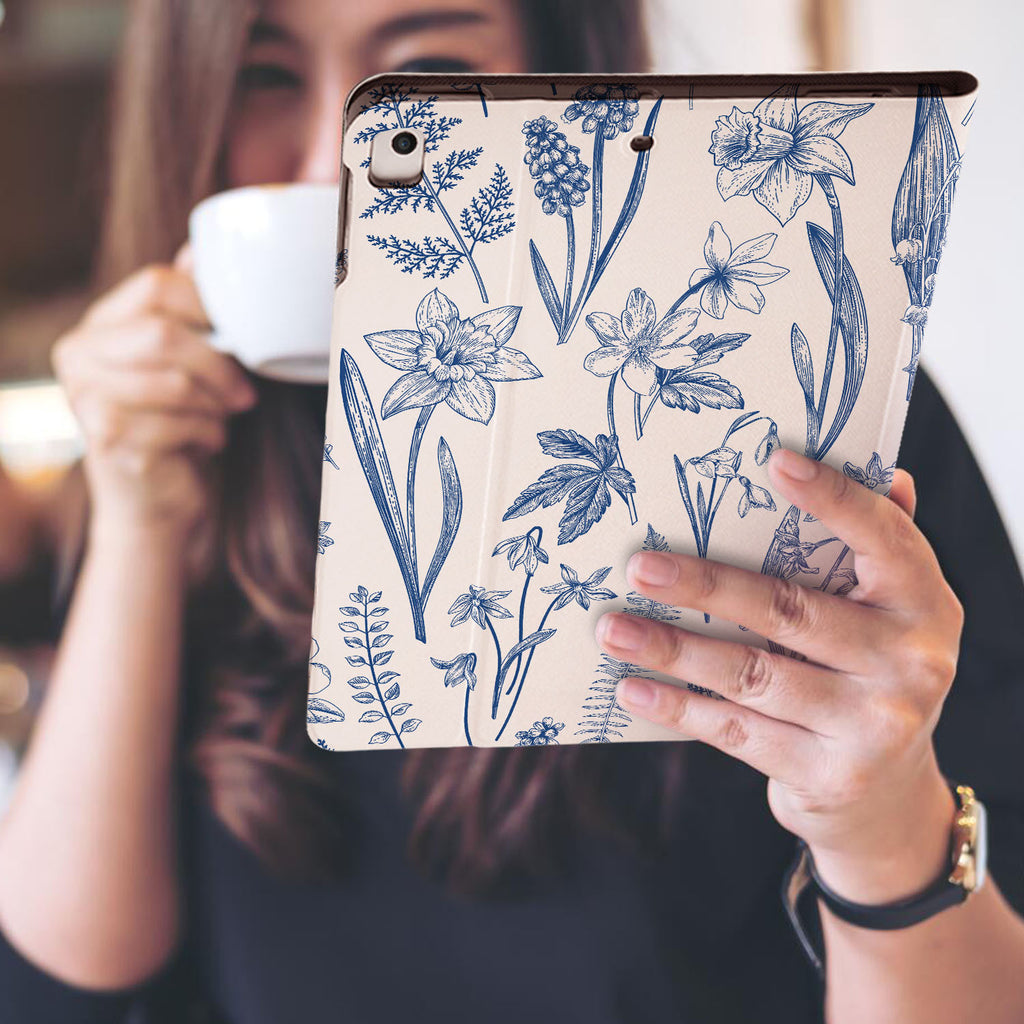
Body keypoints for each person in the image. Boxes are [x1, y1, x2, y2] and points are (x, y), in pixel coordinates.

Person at [0, 1, 1023, 1022]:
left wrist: (881, 824)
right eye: (267, 77)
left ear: (567, 73)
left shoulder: (803, 417)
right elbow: (66, 985)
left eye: (425, 70)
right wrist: (136, 521)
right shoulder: (168, 449)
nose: (330, 163)